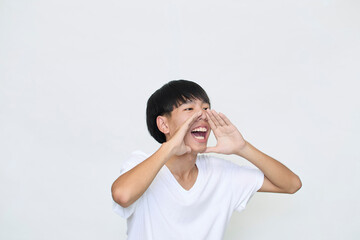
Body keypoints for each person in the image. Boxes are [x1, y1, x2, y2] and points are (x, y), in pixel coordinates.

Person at [111, 80, 302, 240]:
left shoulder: (220, 172)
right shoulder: (140, 164)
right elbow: (123, 196)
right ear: (163, 124)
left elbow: (291, 184)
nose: (202, 115)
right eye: (189, 108)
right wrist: (169, 147)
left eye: (205, 108)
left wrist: (243, 148)